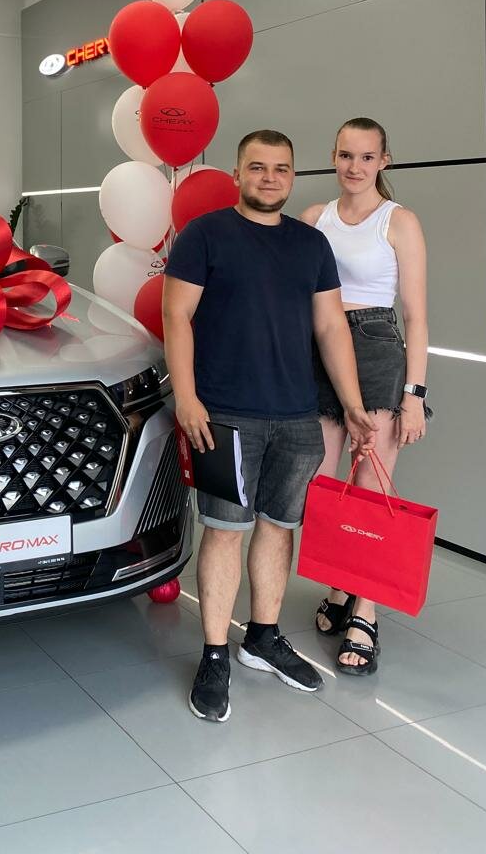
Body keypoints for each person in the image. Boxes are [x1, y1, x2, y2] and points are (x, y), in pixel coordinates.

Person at [163, 129, 374, 723]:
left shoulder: (311, 245)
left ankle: (262, 637)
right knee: (224, 531)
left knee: (279, 529)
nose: (270, 177)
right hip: (225, 415)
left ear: (292, 176)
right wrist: (187, 398)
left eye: (281, 168)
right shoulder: (205, 235)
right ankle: (213, 655)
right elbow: (176, 314)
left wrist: (352, 404)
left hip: (297, 416)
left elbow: (330, 327)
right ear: (237, 173)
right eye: (257, 167)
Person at [302, 117, 429, 676]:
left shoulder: (398, 221)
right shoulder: (314, 218)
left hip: (377, 350)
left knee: (369, 491)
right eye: (346, 155)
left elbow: (416, 317)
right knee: (323, 488)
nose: (355, 167)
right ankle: (339, 584)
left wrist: (414, 394)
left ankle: (366, 610)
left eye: (367, 157)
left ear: (384, 161)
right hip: (320, 350)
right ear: (334, 157)